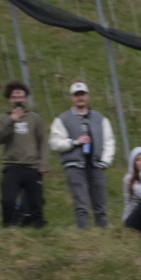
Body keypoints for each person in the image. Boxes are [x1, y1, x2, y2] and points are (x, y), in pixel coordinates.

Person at [49, 81, 115, 230]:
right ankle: (84, 234)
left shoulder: (100, 119)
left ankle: (103, 234)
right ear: (72, 98)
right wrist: (74, 142)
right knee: (81, 205)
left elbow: (109, 141)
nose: (80, 98)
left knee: (100, 205)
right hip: (74, 166)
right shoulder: (62, 119)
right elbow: (54, 142)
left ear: (88, 96)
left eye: (82, 94)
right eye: (76, 95)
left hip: (96, 166)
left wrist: (105, 162)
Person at [0, 80, 49, 228]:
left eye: (21, 97)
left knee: (35, 204)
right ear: (9, 100)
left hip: (32, 167)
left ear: (25, 98)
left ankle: (38, 230)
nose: (18, 100)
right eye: (14, 97)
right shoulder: (3, 118)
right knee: (8, 201)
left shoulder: (34, 118)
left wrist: (43, 163)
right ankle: (8, 228)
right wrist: (11, 121)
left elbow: (43, 141)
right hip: (12, 166)